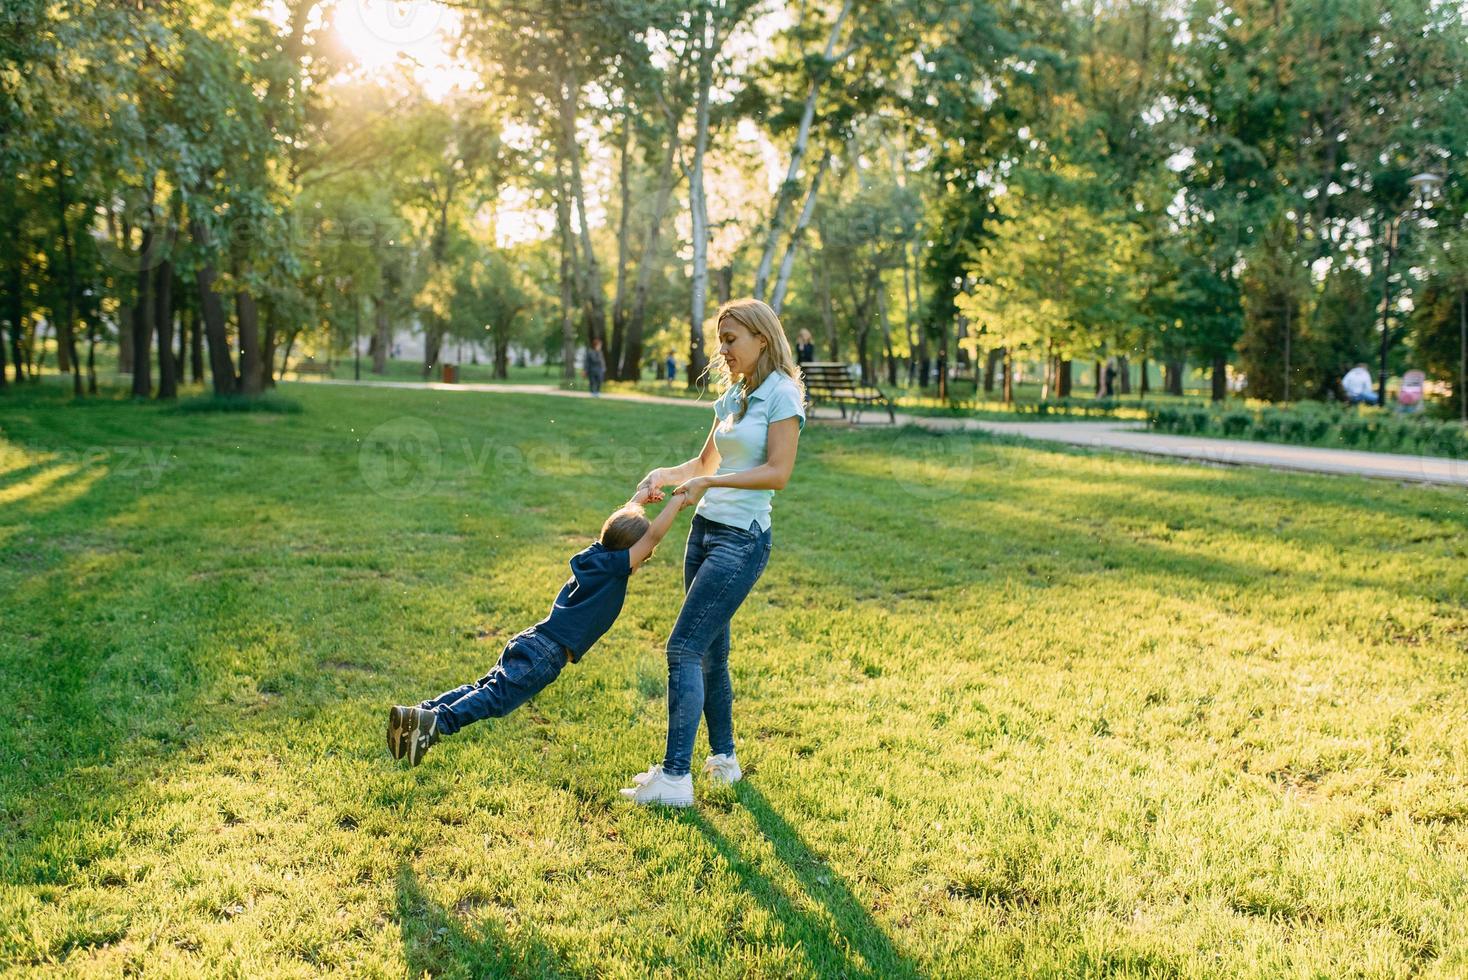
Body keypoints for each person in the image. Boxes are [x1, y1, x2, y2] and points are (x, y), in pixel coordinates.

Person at [623, 298, 806, 807]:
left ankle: (676, 778)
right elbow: (703, 462)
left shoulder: (781, 395)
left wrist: (709, 481)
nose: (722, 350)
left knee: (682, 647)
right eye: (720, 340)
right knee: (709, 653)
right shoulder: (736, 394)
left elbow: (779, 473)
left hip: (742, 539)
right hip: (703, 531)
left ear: (762, 339)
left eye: (731, 340)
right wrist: (668, 474)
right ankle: (723, 760)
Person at [386, 491, 693, 766]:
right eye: (642, 558)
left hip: (533, 639)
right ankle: (435, 722)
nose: (640, 563)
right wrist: (678, 502)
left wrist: (638, 500)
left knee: (484, 687)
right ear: (633, 552)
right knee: (496, 698)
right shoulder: (615, 569)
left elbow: (621, 526)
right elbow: (652, 536)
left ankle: (417, 713)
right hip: (547, 654)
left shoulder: (596, 552)